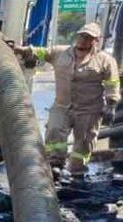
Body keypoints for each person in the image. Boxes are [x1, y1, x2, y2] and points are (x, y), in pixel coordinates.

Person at [17, 23, 120, 184]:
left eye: (88, 38)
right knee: (54, 131)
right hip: (62, 106)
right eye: (82, 36)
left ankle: (77, 172)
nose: (83, 40)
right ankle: (55, 164)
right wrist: (21, 50)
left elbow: (112, 83)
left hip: (89, 109)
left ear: (96, 41)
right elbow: (41, 52)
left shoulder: (105, 60)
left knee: (84, 141)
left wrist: (111, 104)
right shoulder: (61, 53)